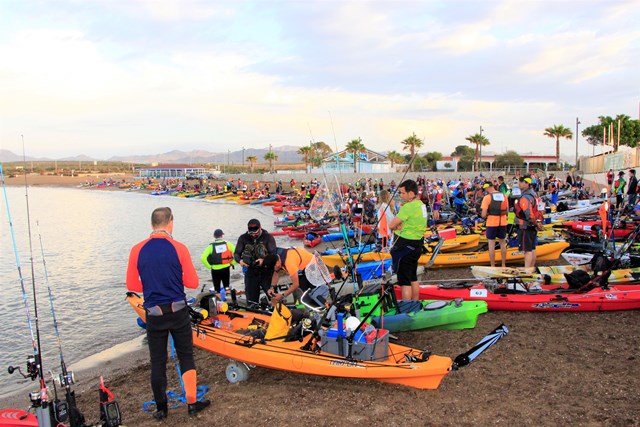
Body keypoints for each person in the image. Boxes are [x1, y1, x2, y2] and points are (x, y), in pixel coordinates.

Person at [126, 207, 210, 420]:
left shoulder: (137, 249)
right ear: (170, 222)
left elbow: (132, 284)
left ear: (152, 224)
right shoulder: (179, 248)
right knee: (186, 356)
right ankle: (192, 403)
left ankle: (161, 409)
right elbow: (193, 283)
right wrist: (172, 279)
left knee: (157, 360)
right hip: (178, 311)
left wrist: (154, 280)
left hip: (154, 313)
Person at [389, 179, 428, 300]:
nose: (401, 196)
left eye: (402, 193)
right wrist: (401, 225)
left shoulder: (408, 207)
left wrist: (398, 226)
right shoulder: (421, 205)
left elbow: (391, 225)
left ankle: (407, 308)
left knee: (404, 281)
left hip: (405, 246)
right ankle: (415, 304)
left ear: (411, 193)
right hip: (417, 244)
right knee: (412, 277)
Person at [234, 219, 277, 306]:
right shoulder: (243, 238)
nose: (253, 235)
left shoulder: (268, 237)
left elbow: (274, 254)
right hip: (251, 273)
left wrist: (263, 260)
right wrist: (240, 261)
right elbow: (236, 253)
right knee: (251, 301)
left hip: (266, 272)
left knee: (274, 297)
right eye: (251, 234)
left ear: (260, 228)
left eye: (256, 233)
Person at [515, 176, 544, 268]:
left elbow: (529, 213)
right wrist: (539, 222)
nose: (519, 184)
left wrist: (535, 223)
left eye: (521, 182)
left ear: (527, 183)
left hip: (525, 226)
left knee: (527, 250)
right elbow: (540, 210)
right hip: (532, 226)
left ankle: (527, 270)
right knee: (532, 248)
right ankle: (531, 268)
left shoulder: (525, 197)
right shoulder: (534, 195)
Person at [480, 183, 509, 268]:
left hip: (492, 222)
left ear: (487, 188)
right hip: (503, 222)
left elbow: (483, 214)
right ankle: (503, 264)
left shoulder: (487, 198)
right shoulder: (504, 196)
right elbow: (506, 210)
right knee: (502, 243)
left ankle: (493, 265)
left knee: (491, 244)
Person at [201, 229, 236, 293]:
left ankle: (218, 300)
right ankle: (228, 300)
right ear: (222, 235)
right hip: (226, 268)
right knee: (227, 287)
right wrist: (232, 263)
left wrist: (209, 266)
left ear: (214, 236)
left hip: (215, 270)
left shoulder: (211, 246)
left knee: (217, 289)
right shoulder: (228, 244)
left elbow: (203, 258)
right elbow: (237, 253)